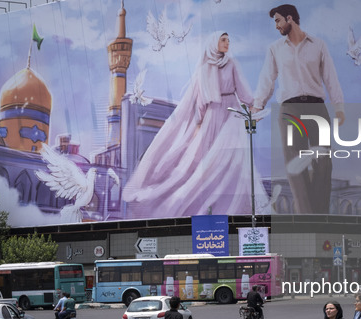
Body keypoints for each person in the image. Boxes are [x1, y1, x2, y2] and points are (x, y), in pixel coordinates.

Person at [123, 31, 269, 218]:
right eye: (223, 40)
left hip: (231, 116)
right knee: (201, 162)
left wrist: (253, 106)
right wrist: (198, 125)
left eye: (228, 40)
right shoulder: (203, 70)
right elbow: (199, 102)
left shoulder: (232, 64)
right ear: (213, 42)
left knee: (232, 160)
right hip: (210, 117)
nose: (227, 43)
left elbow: (243, 91)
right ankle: (201, 207)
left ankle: (234, 208)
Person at [252, 4, 344, 214]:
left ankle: (320, 216)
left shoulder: (318, 45)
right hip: (290, 109)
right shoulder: (275, 49)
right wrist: (257, 106)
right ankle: (306, 216)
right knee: (295, 165)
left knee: (323, 162)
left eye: (277, 20)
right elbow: (267, 79)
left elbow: (330, 77)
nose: (276, 26)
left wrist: (339, 107)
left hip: (316, 108)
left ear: (289, 19)